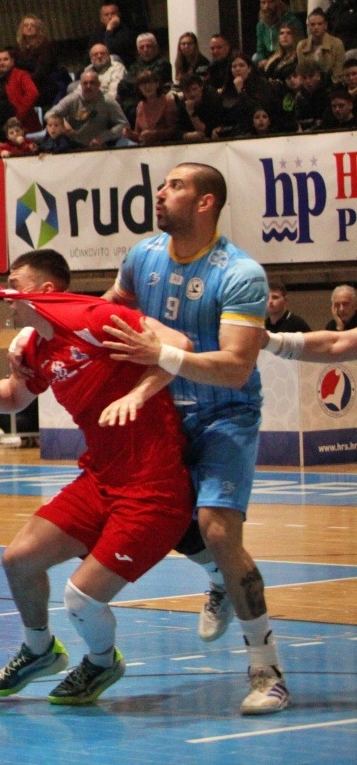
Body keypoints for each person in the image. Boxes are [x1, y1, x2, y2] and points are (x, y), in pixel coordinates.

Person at [0, 249, 193, 705]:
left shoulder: (95, 317)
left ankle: (101, 662)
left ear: (45, 291)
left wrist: (138, 394)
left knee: (81, 598)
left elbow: (179, 344)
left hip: (153, 487)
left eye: (14, 284)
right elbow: (13, 398)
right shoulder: (36, 347)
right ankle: (39, 649)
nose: (5, 294)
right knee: (18, 560)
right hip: (99, 480)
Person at [99, 163, 289, 715]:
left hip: (225, 413)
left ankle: (268, 672)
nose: (160, 193)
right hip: (163, 409)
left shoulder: (241, 273)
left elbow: (234, 367)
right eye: (162, 185)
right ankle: (217, 577)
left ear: (206, 202)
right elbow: (107, 312)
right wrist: (42, 330)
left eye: (175, 186)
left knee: (218, 528)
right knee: (156, 514)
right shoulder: (142, 257)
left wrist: (160, 353)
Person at [253, 0, 301, 64]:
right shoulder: (261, 25)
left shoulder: (291, 20)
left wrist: (271, 61)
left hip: (286, 55)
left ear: (277, 1)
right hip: (268, 57)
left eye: (270, 2)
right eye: (263, 2)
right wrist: (261, 60)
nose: (266, 6)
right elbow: (260, 50)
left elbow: (298, 45)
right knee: (254, 59)